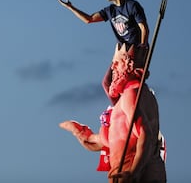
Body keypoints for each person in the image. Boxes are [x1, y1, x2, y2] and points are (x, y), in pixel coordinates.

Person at [60, 43, 166, 183]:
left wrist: (133, 172)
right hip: (126, 172)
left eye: (116, 64)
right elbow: (100, 142)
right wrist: (82, 134)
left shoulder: (132, 93)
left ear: (129, 66)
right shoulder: (121, 108)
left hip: (132, 172)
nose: (113, 68)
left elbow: (145, 135)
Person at [58, 0, 150, 105]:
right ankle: (117, 109)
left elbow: (144, 28)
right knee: (106, 83)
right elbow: (89, 19)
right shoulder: (110, 11)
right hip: (122, 55)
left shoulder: (132, 6)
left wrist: (142, 47)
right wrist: (71, 7)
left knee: (128, 84)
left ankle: (136, 101)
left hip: (135, 52)